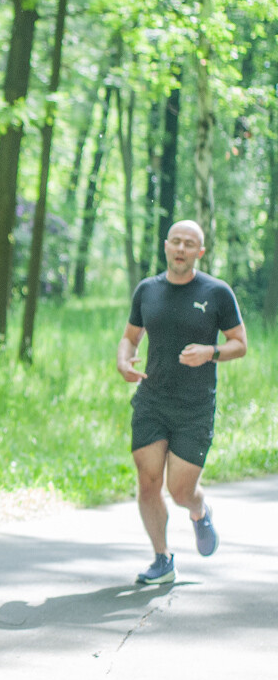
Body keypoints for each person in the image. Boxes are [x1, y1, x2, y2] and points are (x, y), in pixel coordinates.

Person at [116, 219, 247, 585]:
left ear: (199, 252)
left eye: (190, 244)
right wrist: (123, 360)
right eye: (176, 241)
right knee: (148, 483)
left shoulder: (217, 292)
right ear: (166, 245)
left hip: (194, 407)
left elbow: (240, 342)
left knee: (180, 491)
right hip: (152, 400)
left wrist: (211, 352)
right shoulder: (147, 290)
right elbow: (130, 337)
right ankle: (162, 557)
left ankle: (199, 510)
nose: (181, 249)